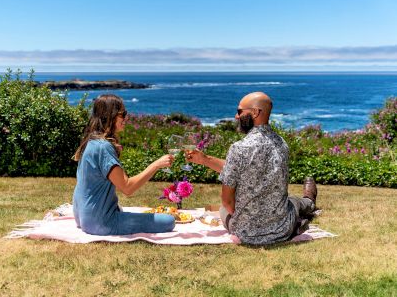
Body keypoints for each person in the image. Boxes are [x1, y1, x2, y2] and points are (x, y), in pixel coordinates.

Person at [187, 92, 317, 245]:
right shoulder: (282, 144)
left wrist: (248, 216)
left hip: (245, 233)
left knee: (223, 209)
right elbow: (246, 168)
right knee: (293, 203)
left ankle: (308, 201)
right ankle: (309, 201)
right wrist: (204, 160)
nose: (236, 116)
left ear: (255, 113)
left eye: (240, 111)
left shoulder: (239, 148)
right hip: (282, 229)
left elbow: (227, 201)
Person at [72, 94, 176, 235]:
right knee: (168, 221)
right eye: (123, 114)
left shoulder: (92, 141)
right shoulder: (103, 147)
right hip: (101, 222)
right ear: (111, 116)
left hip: (84, 217)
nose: (126, 118)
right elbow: (127, 188)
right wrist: (156, 165)